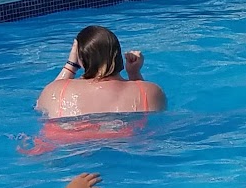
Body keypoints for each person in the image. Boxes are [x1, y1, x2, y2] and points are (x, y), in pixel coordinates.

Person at [34, 26, 165, 119]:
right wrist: (134, 73)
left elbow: (41, 106)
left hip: (70, 144)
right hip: (125, 143)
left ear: (79, 57)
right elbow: (146, 112)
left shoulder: (53, 91)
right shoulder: (152, 91)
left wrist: (71, 65)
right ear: (118, 55)